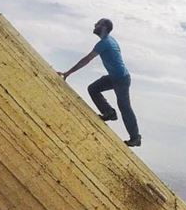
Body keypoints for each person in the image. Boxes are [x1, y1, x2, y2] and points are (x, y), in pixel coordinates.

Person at [57, 18, 142, 147]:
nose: (95, 25)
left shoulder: (105, 43)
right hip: (115, 77)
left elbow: (87, 60)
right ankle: (109, 113)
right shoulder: (109, 41)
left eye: (98, 23)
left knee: (124, 107)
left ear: (104, 27)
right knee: (93, 89)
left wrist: (68, 73)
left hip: (121, 79)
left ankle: (135, 138)